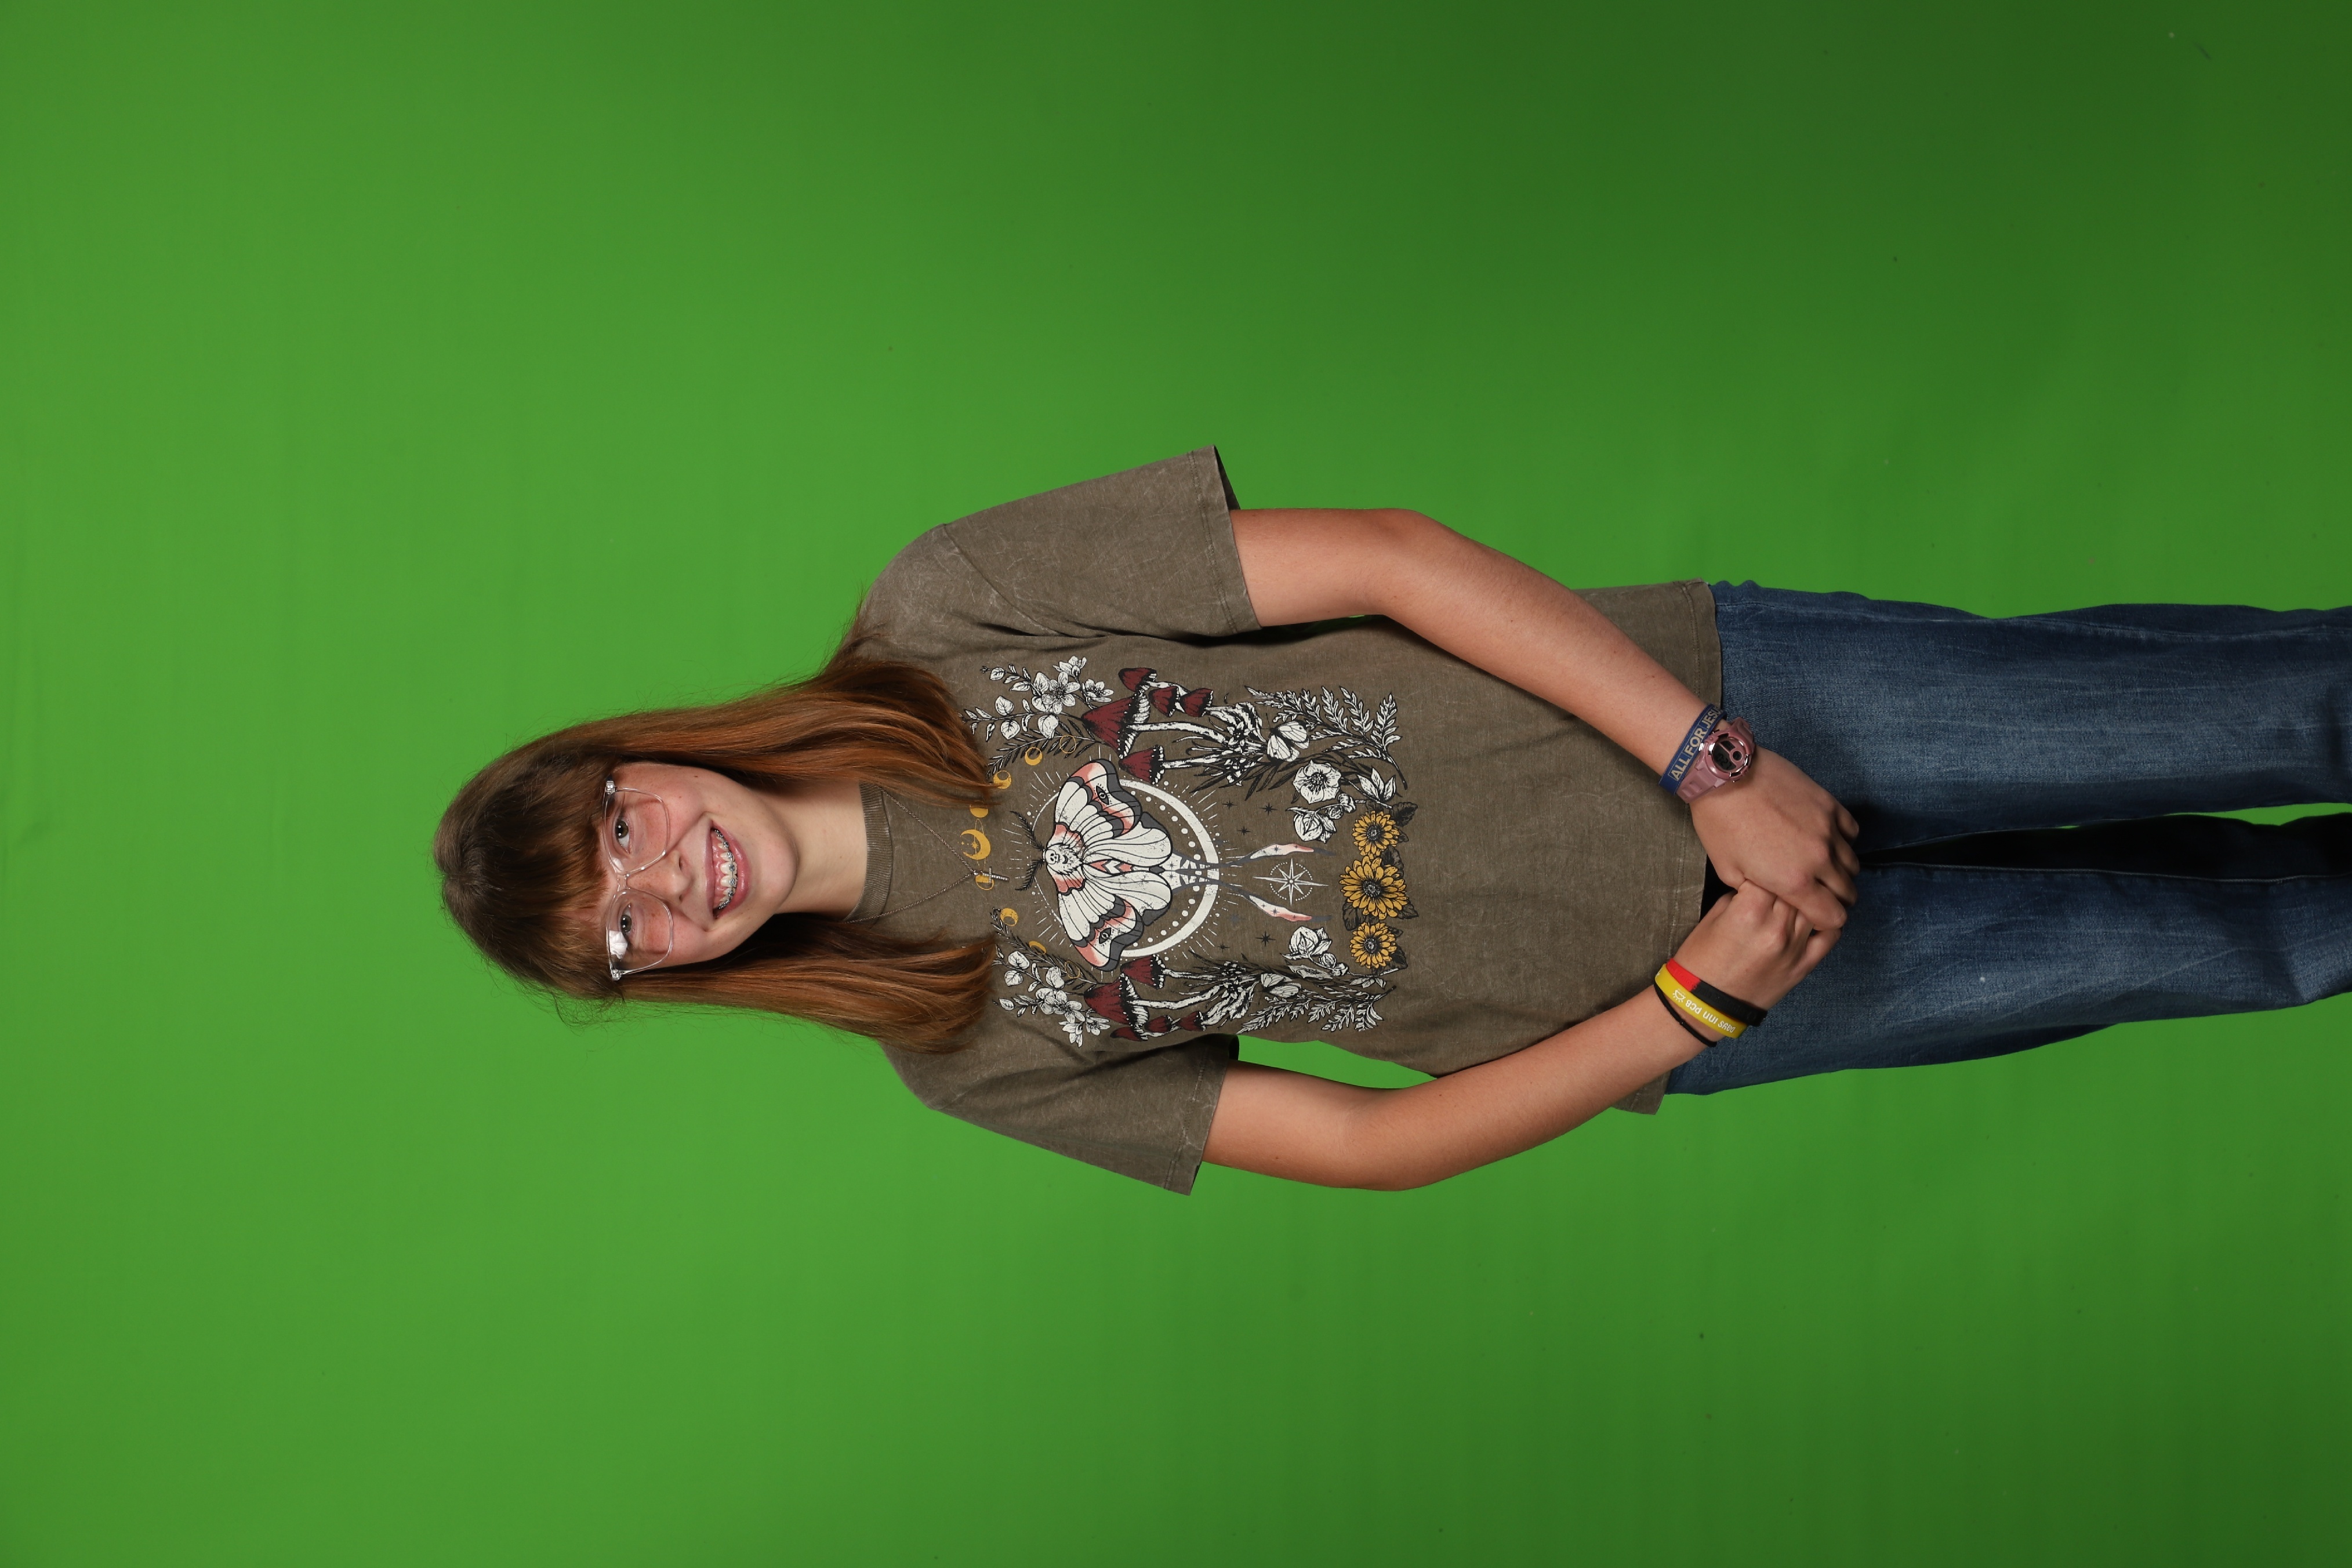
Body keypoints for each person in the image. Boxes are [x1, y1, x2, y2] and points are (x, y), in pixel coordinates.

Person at [435, 449, 2352, 1193]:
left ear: (645, 756)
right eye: (625, 934)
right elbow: (1368, 1142)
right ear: (661, 977)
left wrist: (1711, 761)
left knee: (2280, 708)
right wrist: (1696, 1006)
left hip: (1735, 706)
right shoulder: (959, 1051)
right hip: (1733, 985)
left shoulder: (948, 608)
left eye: (619, 826)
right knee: (2259, 944)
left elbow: (1388, 559)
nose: (666, 882)